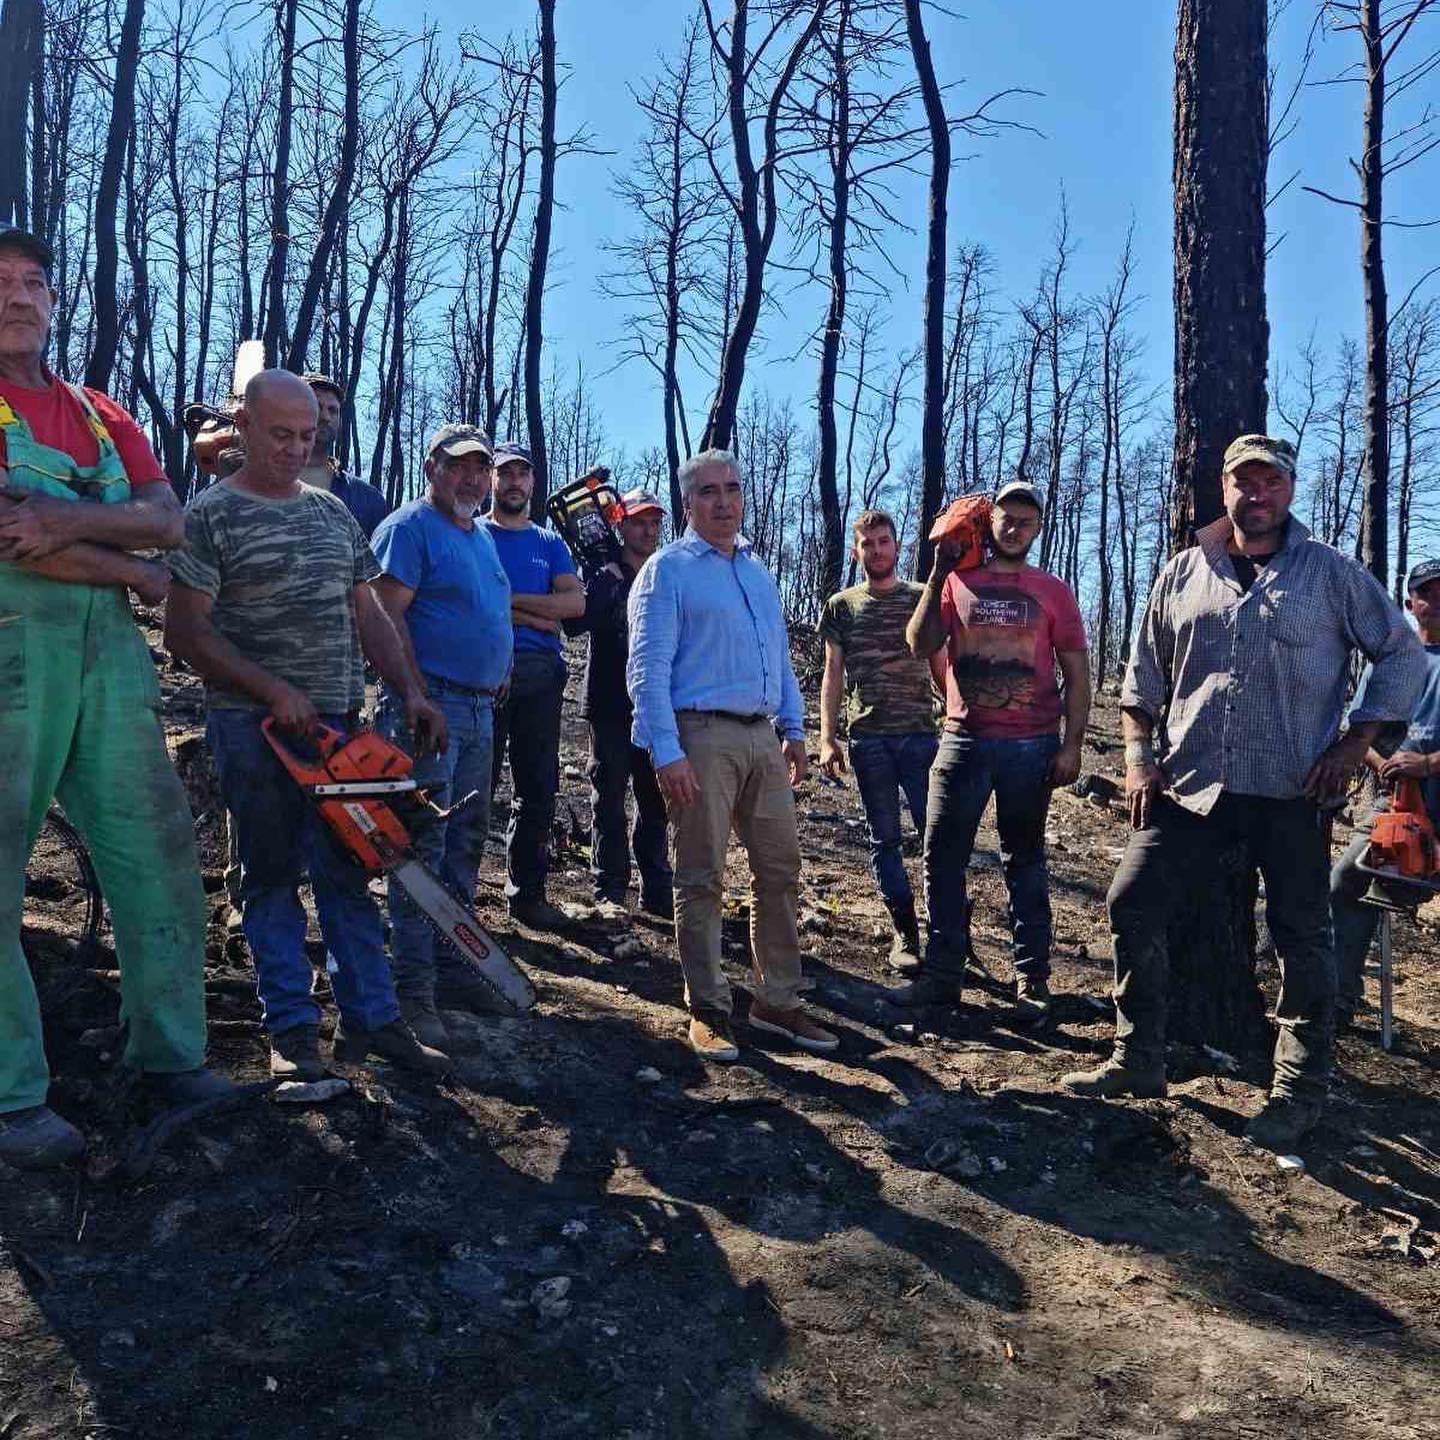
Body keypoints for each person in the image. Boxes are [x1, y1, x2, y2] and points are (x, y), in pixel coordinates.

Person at [1062, 434, 1426, 1152]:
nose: (1255, 495)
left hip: (1292, 788)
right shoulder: (1182, 573)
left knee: (1302, 935)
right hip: (1190, 786)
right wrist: (1138, 760)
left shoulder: (1330, 575)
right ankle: (1138, 1057)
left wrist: (1354, 746)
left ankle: (1299, 1089)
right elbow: (1142, 681)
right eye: (1242, 482)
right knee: (1131, 901)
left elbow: (1402, 654)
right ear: (1222, 488)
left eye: (1270, 483)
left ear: (1289, 491)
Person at [0, 224, 232, 1170]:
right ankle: (14, 1098)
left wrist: (58, 525)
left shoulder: (102, 414)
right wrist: (126, 568)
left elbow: (169, 521)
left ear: (55, 302)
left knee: (157, 851)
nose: (18, 295)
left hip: (110, 665)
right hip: (12, 656)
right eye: (0, 281)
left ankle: (172, 1056)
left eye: (34, 281)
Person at [165, 369, 451, 1083]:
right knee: (267, 878)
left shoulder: (332, 515)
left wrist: (409, 689)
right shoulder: (211, 514)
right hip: (251, 728)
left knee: (350, 873)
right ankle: (292, 1030)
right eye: (281, 435)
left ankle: (374, 1020)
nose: (295, 449)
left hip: (336, 726)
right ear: (246, 430)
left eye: (307, 436)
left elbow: (371, 613)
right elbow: (184, 633)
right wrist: (267, 687)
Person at [628, 448, 838, 1062]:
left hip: (761, 737)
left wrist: (795, 727)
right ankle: (708, 1006)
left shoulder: (756, 569)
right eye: (709, 492)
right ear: (688, 503)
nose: (723, 502)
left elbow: (775, 654)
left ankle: (776, 1000)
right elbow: (646, 670)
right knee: (701, 876)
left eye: (732, 489)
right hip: (700, 736)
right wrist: (665, 751)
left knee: (780, 871)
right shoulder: (668, 571)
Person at [885, 480, 1090, 1022]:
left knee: (1023, 859)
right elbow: (919, 644)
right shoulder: (956, 582)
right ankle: (943, 975)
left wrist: (1072, 744)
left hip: (1031, 745)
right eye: (1006, 517)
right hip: (963, 741)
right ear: (989, 522)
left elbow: (1077, 672)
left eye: (1026, 519)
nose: (1015, 526)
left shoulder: (1054, 591)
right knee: (941, 856)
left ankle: (1032, 980)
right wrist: (937, 572)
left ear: (1038, 527)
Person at [370, 424, 513, 1048]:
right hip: (427, 710)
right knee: (419, 850)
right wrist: (414, 695)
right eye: (459, 467)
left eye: (481, 469)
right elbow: (382, 613)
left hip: (480, 711)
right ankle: (412, 991)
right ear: (433, 467)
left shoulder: (480, 536)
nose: (472, 479)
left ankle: (457, 970)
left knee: (464, 845)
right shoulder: (408, 528)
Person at [817, 509, 945, 969]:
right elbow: (832, 676)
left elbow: (940, 664)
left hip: (921, 736)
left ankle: (948, 932)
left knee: (938, 839)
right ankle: (905, 935)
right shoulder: (841, 606)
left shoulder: (921, 597)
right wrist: (827, 737)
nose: (877, 550)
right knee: (884, 839)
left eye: (884, 541)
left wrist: (957, 716)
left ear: (897, 545)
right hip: (869, 740)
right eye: (867, 544)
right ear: (857, 551)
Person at [1330, 557, 1440, 1025]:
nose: (1437, 599)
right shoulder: (1393, 662)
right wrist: (1385, 764)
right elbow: (1361, 733)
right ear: (1411, 603)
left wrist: (1429, 763)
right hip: (1392, 804)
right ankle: (1339, 997)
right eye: (1428, 591)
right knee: (1345, 880)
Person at [485, 442, 584, 930]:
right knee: (475, 788)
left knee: (537, 790)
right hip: (483, 673)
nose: (515, 482)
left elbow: (573, 606)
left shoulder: (549, 543)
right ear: (492, 480)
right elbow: (473, 601)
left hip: (543, 677)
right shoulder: (475, 534)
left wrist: (510, 602)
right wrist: (537, 611)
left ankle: (526, 895)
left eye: (523, 474)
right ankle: (454, 896)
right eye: (506, 473)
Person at [564, 487, 674, 919]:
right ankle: (608, 886)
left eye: (654, 523)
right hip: (609, 703)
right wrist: (606, 580)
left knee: (656, 798)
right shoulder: (601, 572)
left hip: (656, 705)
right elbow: (575, 625)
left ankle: (656, 886)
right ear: (621, 525)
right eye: (639, 522)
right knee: (607, 796)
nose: (647, 531)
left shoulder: (666, 576)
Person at [299, 372, 389, 538]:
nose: (325, 417)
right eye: (317, 407)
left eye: (333, 410)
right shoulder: (261, 484)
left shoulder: (367, 500)